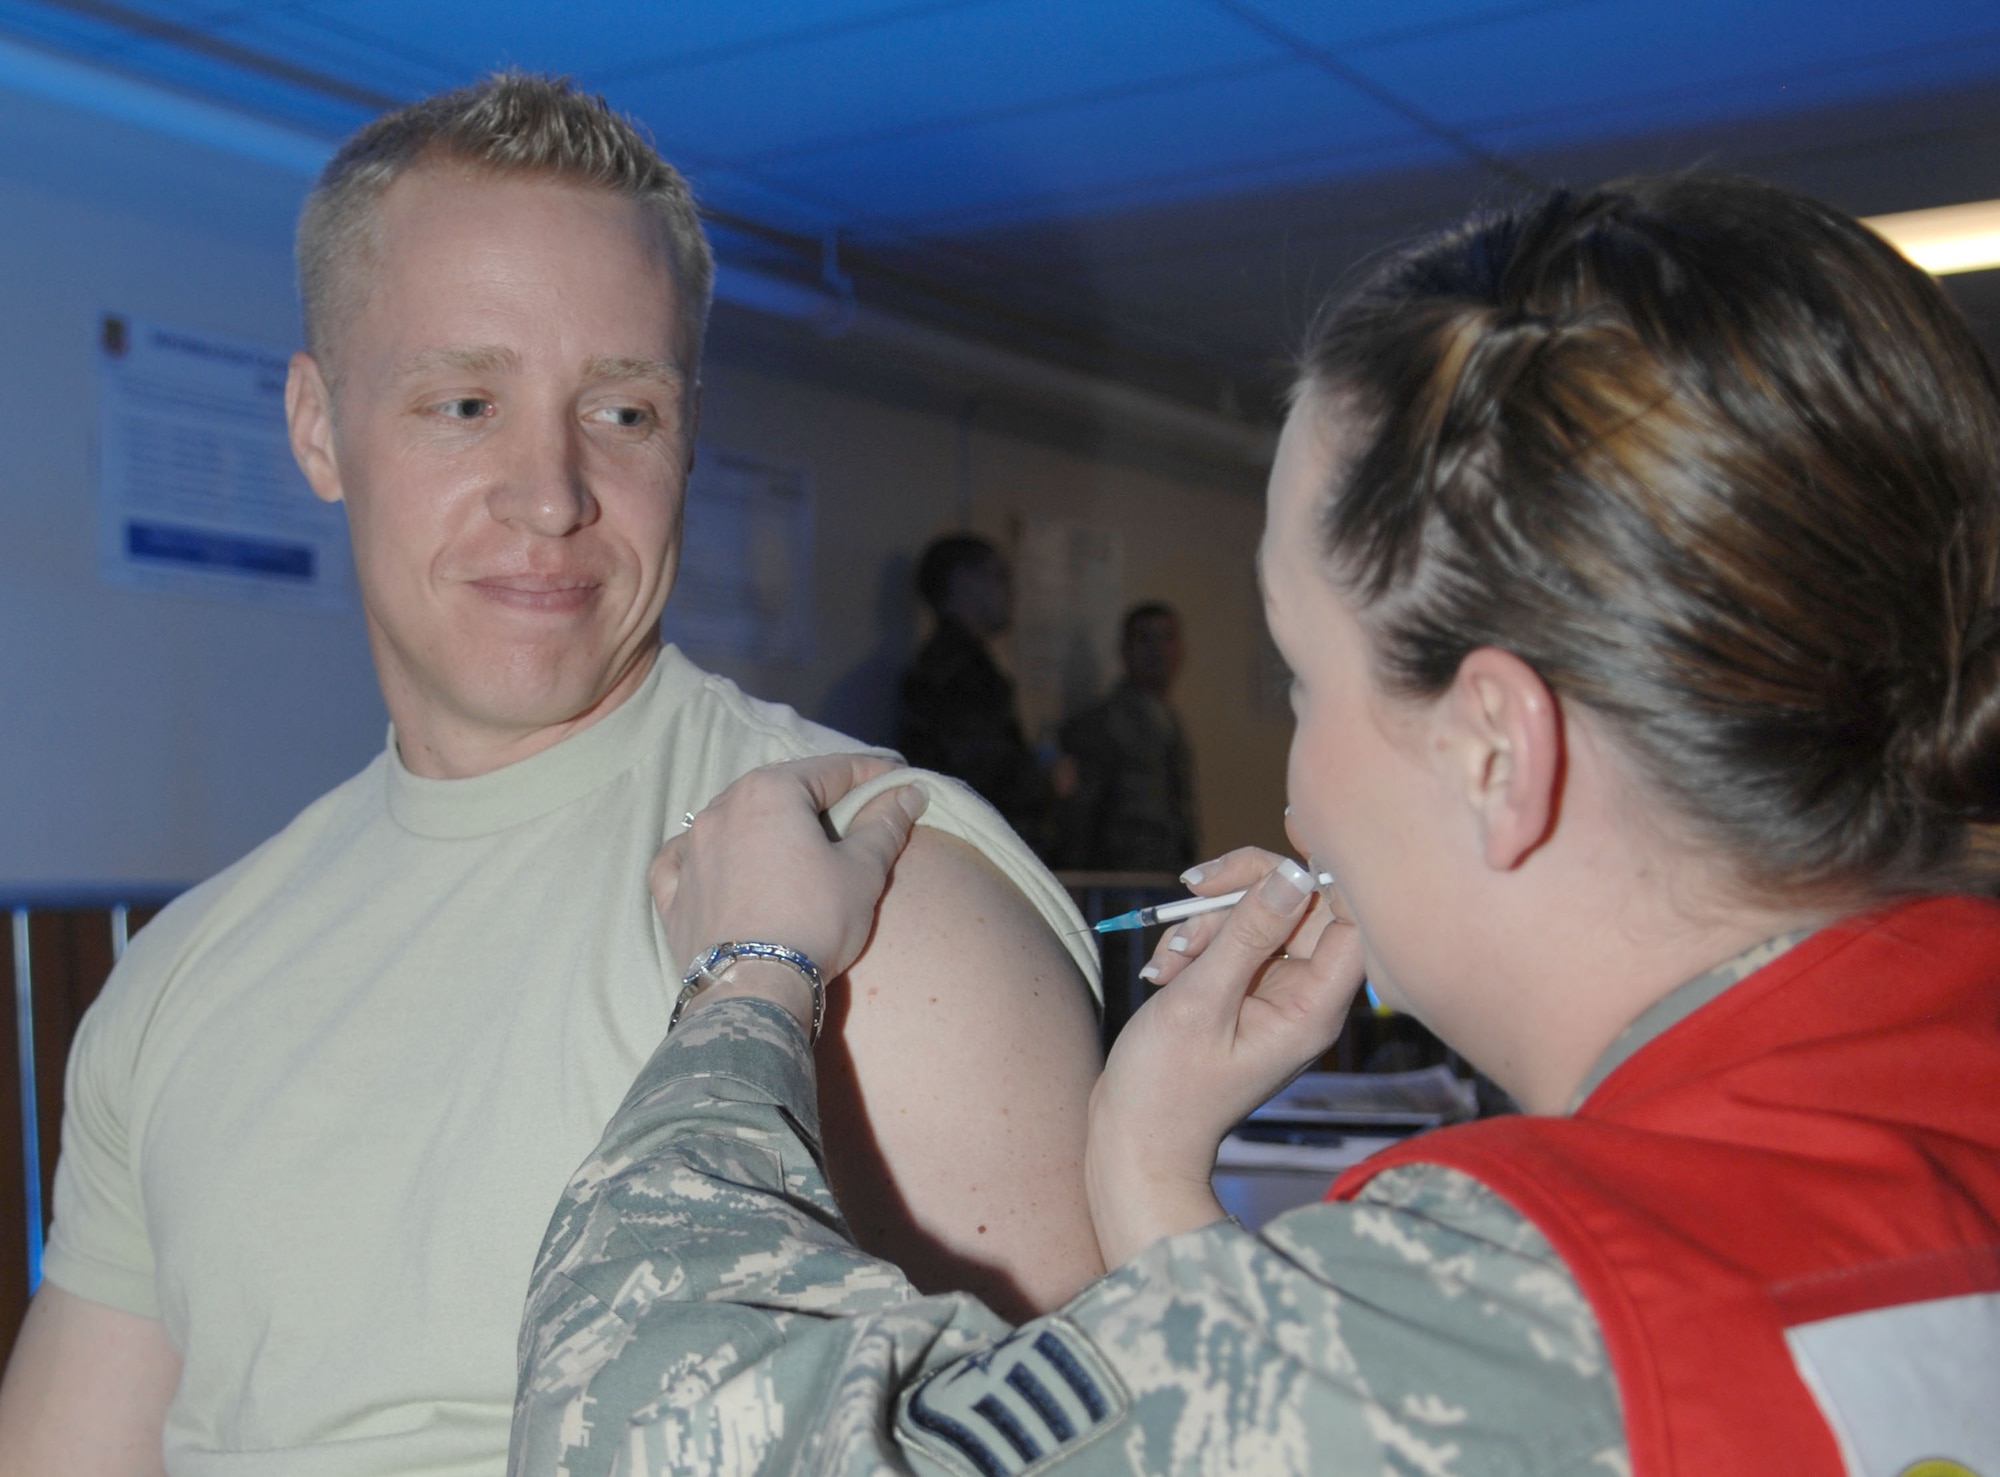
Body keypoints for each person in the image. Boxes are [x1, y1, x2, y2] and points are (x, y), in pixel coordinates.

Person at [512, 174, 2000, 1474]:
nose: (1295, 800)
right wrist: (1147, 1172)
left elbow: (645, 1434)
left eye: (1302, 677)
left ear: (1494, 751)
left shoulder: (1504, 1310)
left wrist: (751, 970)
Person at [0, 75, 1108, 1477]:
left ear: (687, 432)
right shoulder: (180, 981)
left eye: (624, 412)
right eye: (465, 402)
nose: (552, 493)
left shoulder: (875, 893)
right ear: (317, 426)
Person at [896, 534, 1058, 854]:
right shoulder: (959, 670)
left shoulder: (952, 662)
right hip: (978, 846)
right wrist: (1046, 779)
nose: (1009, 592)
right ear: (963, 580)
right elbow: (983, 774)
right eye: (998, 576)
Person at [1057, 602, 1198, 873]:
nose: (1157, 651)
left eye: (1167, 638)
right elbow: (1079, 823)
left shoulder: (1168, 721)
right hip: (1117, 881)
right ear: (1125, 649)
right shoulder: (1101, 724)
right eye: (1145, 639)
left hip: (1164, 876)